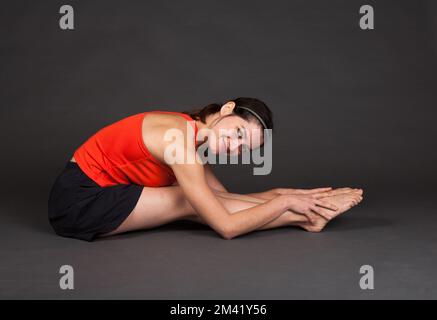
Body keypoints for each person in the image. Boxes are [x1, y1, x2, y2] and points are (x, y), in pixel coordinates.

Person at [48, 97, 363, 241]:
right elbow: (226, 226)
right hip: (78, 201)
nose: (235, 147)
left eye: (244, 147)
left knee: (202, 200)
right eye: (238, 133)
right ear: (226, 110)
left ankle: (309, 212)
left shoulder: (195, 133)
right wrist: (286, 205)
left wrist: (283, 191)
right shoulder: (181, 143)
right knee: (186, 200)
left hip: (111, 191)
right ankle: (306, 219)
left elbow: (220, 197)